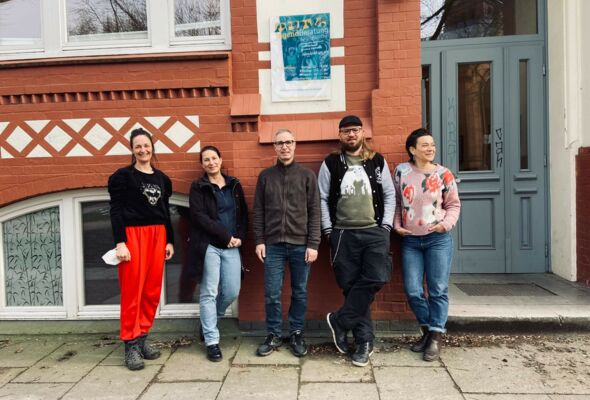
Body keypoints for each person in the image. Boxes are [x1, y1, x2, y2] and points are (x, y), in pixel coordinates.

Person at [319, 115, 395, 367]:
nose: (351, 134)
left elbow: (389, 194)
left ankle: (340, 321)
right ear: (340, 135)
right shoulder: (331, 163)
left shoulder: (377, 161)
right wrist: (329, 230)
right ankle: (364, 342)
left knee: (377, 277)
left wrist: (385, 227)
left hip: (374, 232)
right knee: (351, 287)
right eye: (346, 131)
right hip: (343, 234)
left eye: (355, 130)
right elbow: (322, 198)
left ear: (363, 133)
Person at [108, 127, 175, 371]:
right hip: (133, 236)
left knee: (151, 291)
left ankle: (143, 336)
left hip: (158, 236)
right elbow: (116, 211)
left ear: (152, 147)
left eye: (146, 145)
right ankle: (130, 344)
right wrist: (120, 242)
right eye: (138, 146)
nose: (143, 150)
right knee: (132, 291)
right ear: (132, 149)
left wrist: (169, 241)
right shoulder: (122, 177)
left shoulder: (163, 179)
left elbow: (165, 212)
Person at [393, 128, 461, 361]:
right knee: (413, 290)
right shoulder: (401, 171)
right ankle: (428, 330)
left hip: (437, 239)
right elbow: (396, 202)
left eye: (432, 144)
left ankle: (434, 338)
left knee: (437, 289)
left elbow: (453, 205)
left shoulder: (444, 174)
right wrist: (397, 224)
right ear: (412, 149)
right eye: (425, 145)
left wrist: (445, 225)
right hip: (410, 240)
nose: (430, 148)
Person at [253, 128, 321, 358]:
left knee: (299, 292)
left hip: (301, 245)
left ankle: (296, 333)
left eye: (289, 142)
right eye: (280, 143)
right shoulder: (265, 176)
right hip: (273, 245)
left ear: (295, 144)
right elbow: (258, 211)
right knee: (272, 293)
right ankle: (273, 334)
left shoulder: (307, 176)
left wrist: (313, 243)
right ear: (274, 147)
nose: (285, 146)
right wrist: (259, 240)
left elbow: (315, 211)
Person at [188, 145, 248, 362]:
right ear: (202, 164)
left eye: (214, 158)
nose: (211, 162)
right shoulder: (198, 187)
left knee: (231, 291)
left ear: (221, 160)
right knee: (209, 292)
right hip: (209, 246)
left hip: (232, 246)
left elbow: (243, 214)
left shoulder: (234, 185)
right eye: (206, 160)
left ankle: (209, 321)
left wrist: (240, 236)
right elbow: (199, 217)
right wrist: (225, 235)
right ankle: (212, 340)